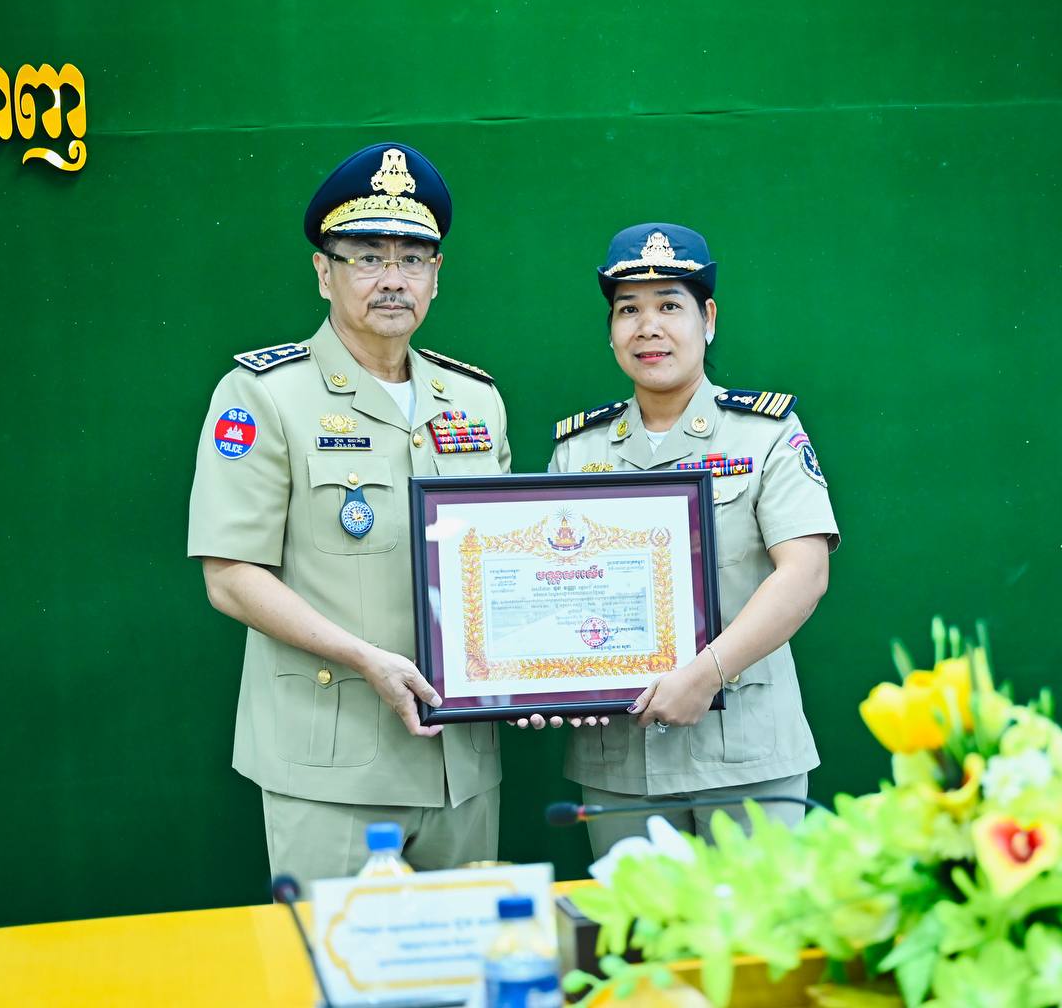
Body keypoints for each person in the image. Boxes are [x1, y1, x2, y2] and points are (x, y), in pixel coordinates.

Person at [188, 143, 510, 879]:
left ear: (436, 275)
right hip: (333, 765)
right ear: (323, 272)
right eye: (367, 258)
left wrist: (549, 673)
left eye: (413, 259)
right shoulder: (264, 395)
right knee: (332, 957)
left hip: (462, 762)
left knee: (466, 955)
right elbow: (230, 577)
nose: (393, 279)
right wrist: (365, 658)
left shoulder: (475, 401)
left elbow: (497, 567)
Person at [547, 223, 839, 857]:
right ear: (611, 331)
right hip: (620, 759)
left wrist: (707, 674)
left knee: (760, 921)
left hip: (746, 752)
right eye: (628, 310)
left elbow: (805, 572)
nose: (648, 327)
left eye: (669, 306)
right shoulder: (577, 451)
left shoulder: (764, 434)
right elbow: (556, 595)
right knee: (636, 922)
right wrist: (549, 681)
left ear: (707, 319)